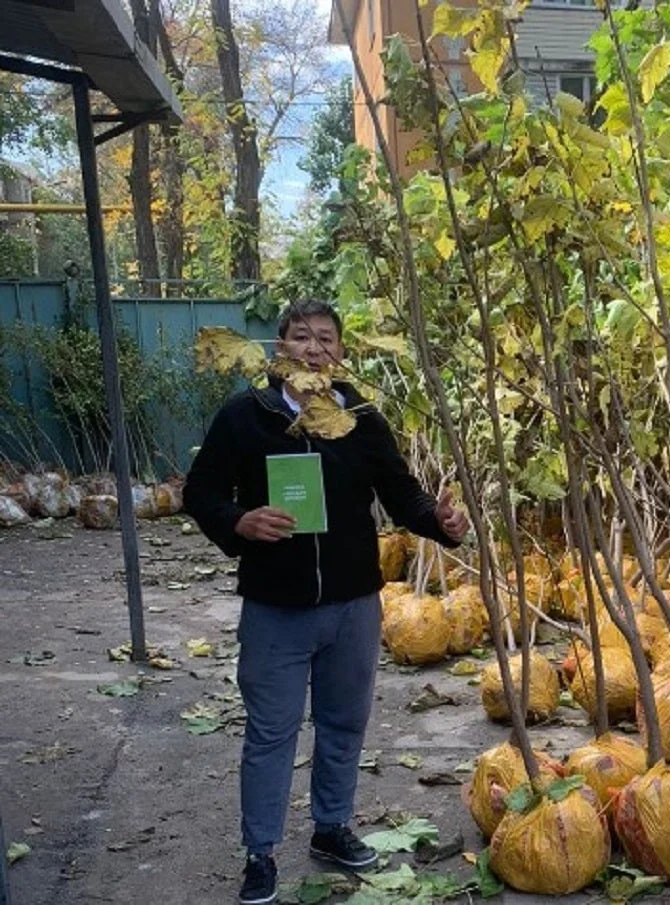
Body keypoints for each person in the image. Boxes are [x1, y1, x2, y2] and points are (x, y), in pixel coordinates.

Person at [183, 299, 467, 905]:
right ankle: (260, 855)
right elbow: (200, 490)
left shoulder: (361, 419)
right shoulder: (246, 416)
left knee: (343, 724)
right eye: (301, 338)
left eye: (326, 339)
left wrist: (440, 523)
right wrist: (238, 521)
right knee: (271, 733)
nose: (315, 349)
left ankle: (332, 828)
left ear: (341, 352)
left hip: (353, 607)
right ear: (279, 348)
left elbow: (401, 493)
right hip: (275, 609)